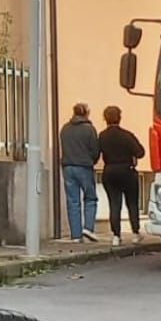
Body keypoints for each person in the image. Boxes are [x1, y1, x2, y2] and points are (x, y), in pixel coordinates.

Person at [98, 106, 146, 245]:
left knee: (114, 203)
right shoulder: (127, 135)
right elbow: (140, 152)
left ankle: (116, 236)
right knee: (132, 203)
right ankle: (136, 233)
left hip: (110, 171)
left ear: (105, 119)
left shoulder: (102, 136)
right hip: (127, 170)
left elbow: (96, 153)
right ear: (119, 118)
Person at [59, 103, 101, 242]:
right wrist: (92, 160)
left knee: (73, 201)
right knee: (90, 198)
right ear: (86, 113)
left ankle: (75, 235)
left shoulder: (65, 129)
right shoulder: (89, 129)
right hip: (84, 167)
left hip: (67, 167)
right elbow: (95, 150)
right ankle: (88, 229)